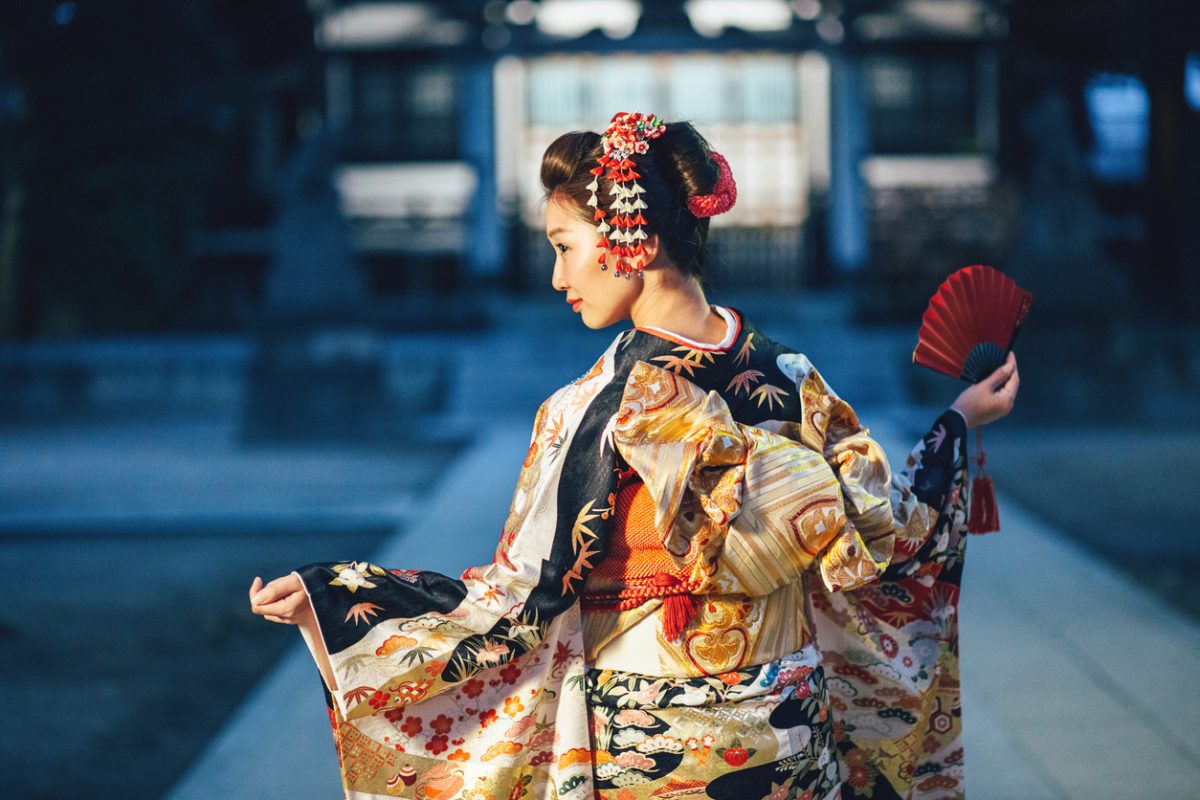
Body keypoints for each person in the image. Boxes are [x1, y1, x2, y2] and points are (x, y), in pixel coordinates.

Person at [250, 112, 1019, 800]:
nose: (557, 277)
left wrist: (340, 598)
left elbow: (514, 605)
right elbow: (891, 536)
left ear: (632, 242)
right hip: (791, 732)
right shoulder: (791, 377)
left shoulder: (589, 408)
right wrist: (957, 421)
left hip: (651, 753)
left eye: (563, 248)